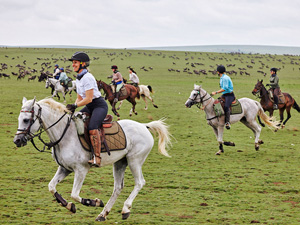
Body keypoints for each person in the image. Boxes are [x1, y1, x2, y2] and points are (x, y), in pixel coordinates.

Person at [66, 52, 108, 167]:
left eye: (75, 62)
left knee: (92, 127)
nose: (73, 65)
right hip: (89, 106)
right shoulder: (79, 78)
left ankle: (97, 157)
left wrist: (76, 106)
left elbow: (89, 99)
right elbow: (79, 97)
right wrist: (73, 107)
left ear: (82, 64)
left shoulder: (88, 78)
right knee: (74, 120)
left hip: (99, 106)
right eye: (73, 63)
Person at [211, 65, 235, 130]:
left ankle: (227, 122)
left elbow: (224, 88)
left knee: (226, 106)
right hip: (224, 95)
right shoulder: (222, 77)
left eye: (217, 71)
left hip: (229, 95)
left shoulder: (225, 78)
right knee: (217, 103)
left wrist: (216, 92)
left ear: (219, 72)